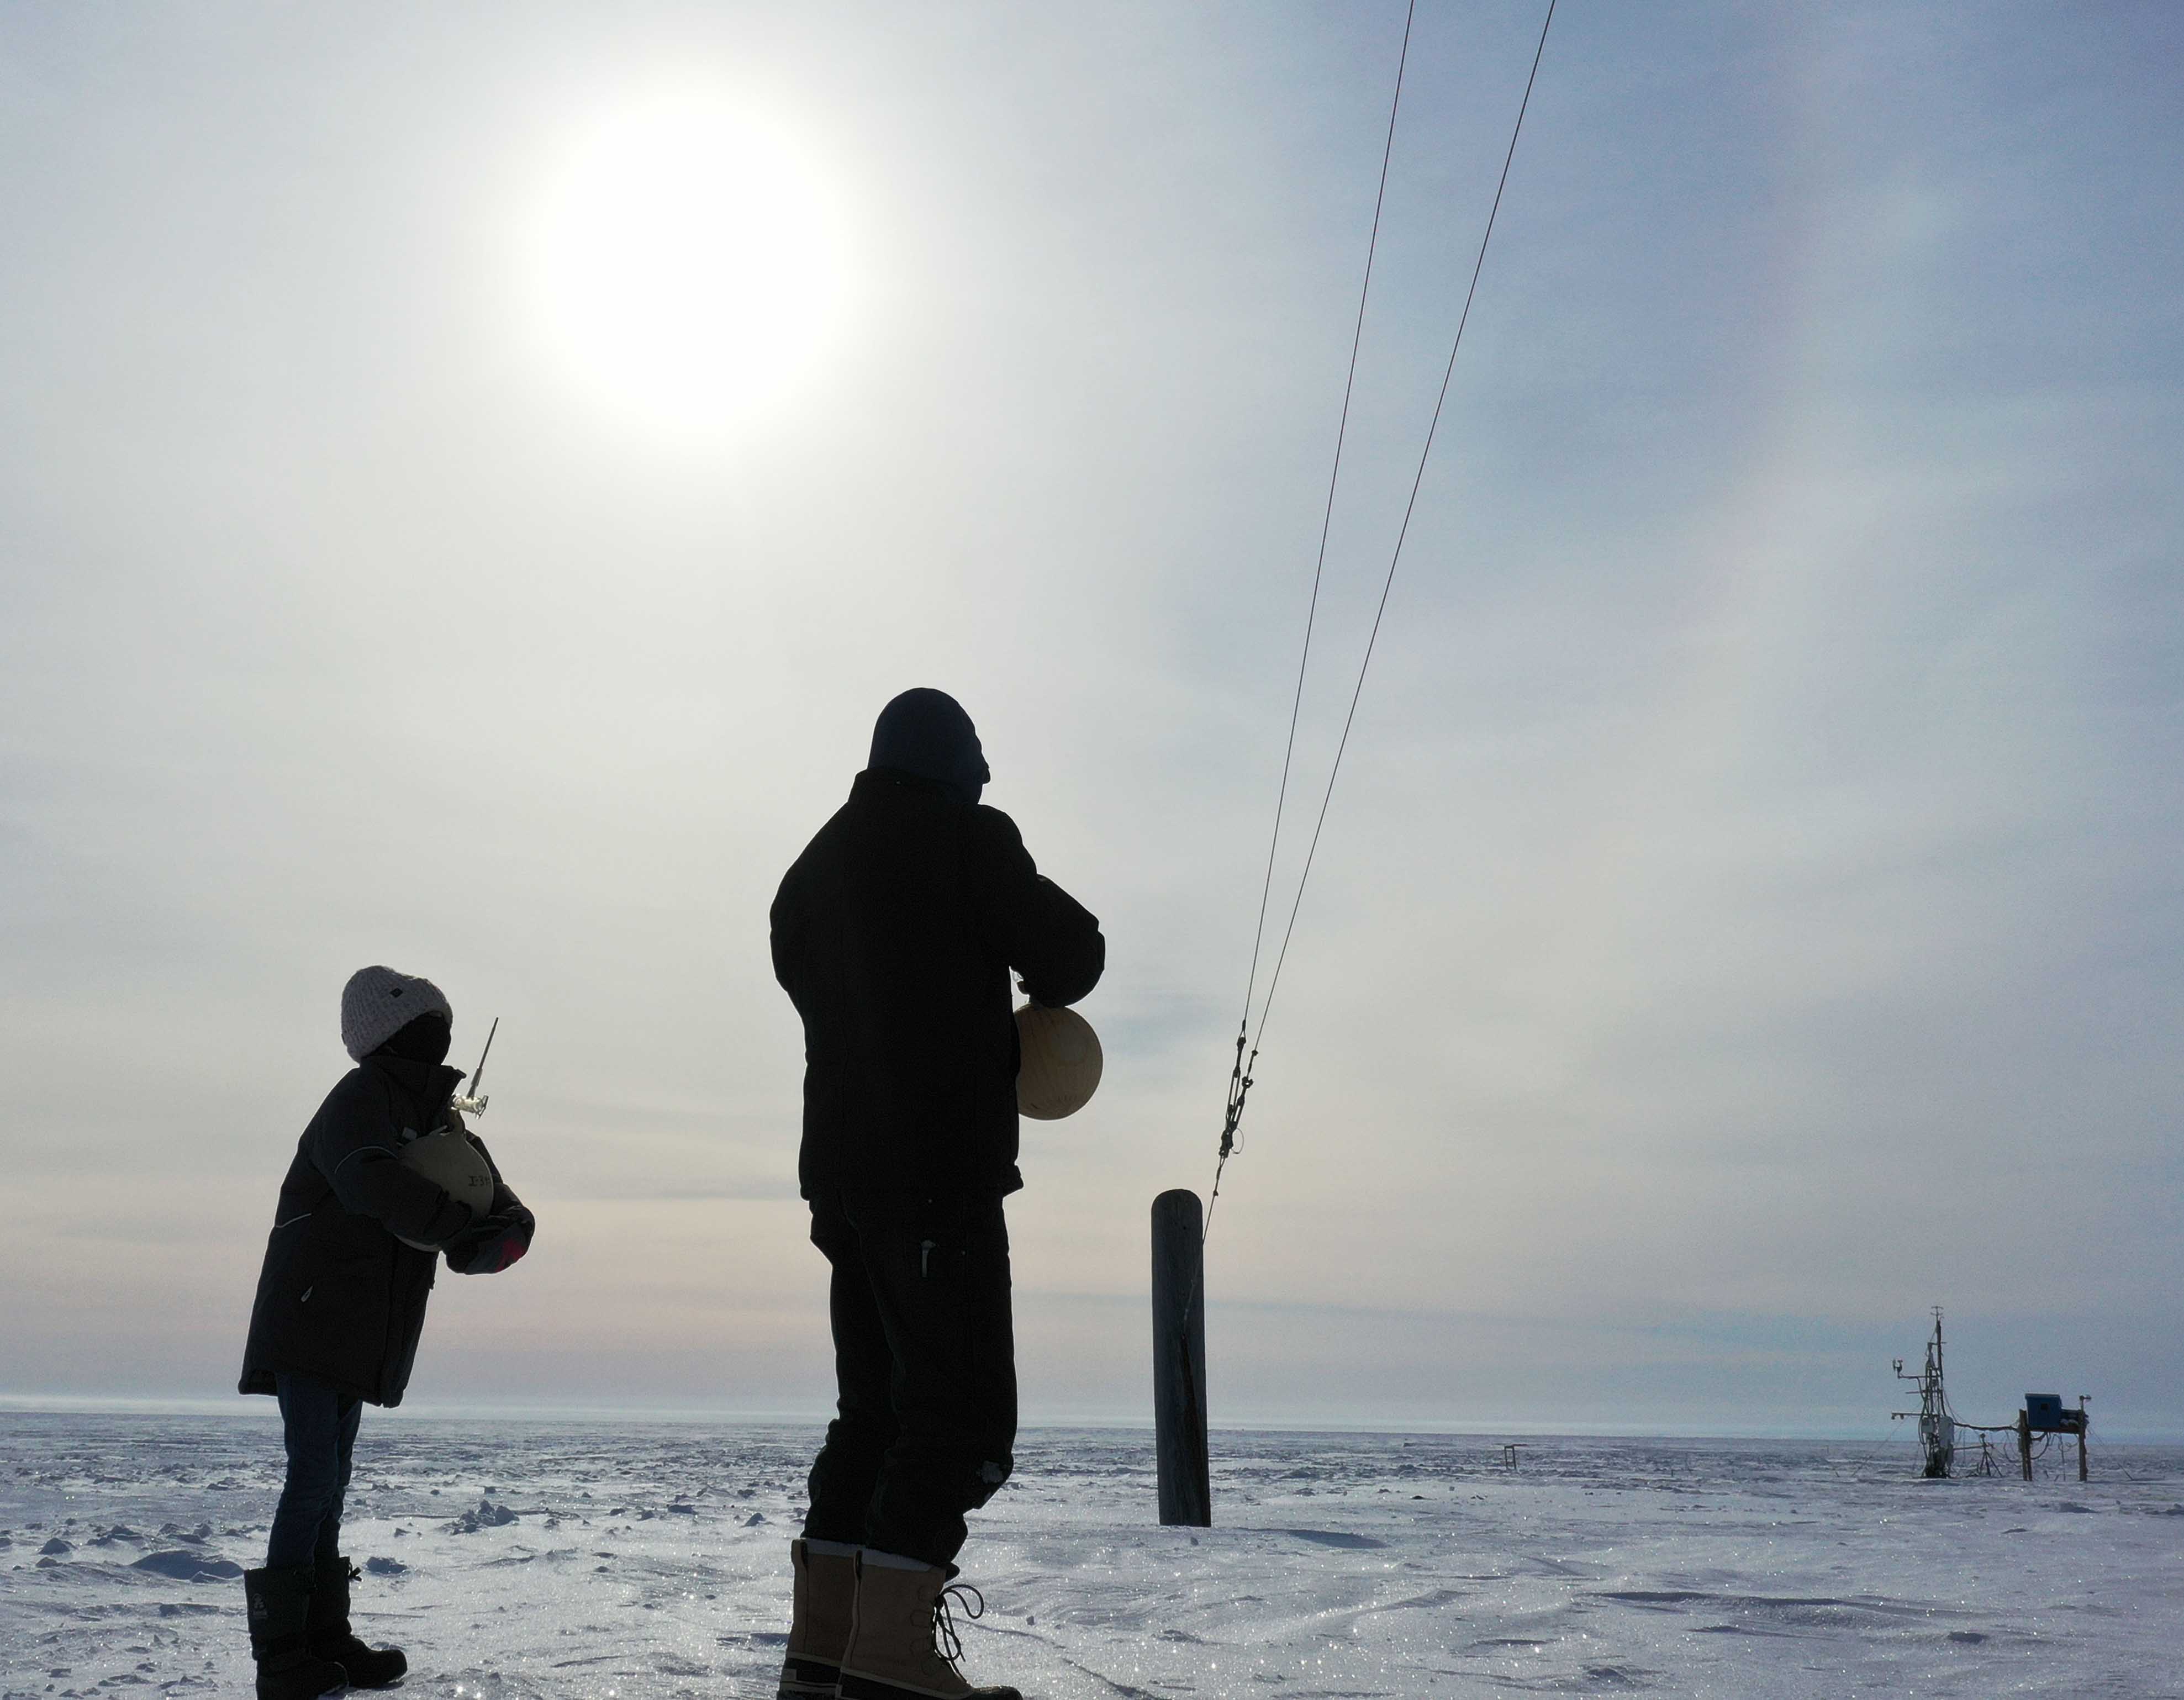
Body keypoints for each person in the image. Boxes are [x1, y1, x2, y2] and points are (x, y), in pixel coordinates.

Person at [769, 689, 1104, 1700]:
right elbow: (1070, 955)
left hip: (842, 1189)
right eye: (978, 762)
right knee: (958, 1423)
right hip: (936, 1178)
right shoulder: (965, 836)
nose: (986, 779)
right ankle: (887, 1663)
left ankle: (823, 1654)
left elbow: (836, 981)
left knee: (872, 1414)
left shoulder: (809, 872)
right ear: (952, 761)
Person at [237, 968, 536, 1700]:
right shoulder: (362, 1098)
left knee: (329, 1483)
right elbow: (366, 1177)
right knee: (313, 1476)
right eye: (427, 1022)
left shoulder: (437, 1117)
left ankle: (325, 1638)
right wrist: (457, 1224)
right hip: (315, 1315)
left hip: (358, 1326)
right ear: (392, 1032)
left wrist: (504, 1229)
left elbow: (487, 1191)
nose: (441, 1032)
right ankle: (283, 1658)